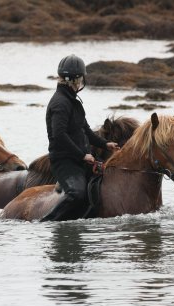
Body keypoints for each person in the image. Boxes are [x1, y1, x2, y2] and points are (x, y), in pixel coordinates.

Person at [42, 54, 120, 221]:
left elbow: (86, 131)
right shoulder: (60, 103)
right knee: (77, 194)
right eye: (82, 78)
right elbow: (59, 135)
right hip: (64, 162)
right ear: (76, 80)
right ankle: (47, 223)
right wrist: (82, 155)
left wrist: (106, 144)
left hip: (80, 160)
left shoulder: (73, 102)